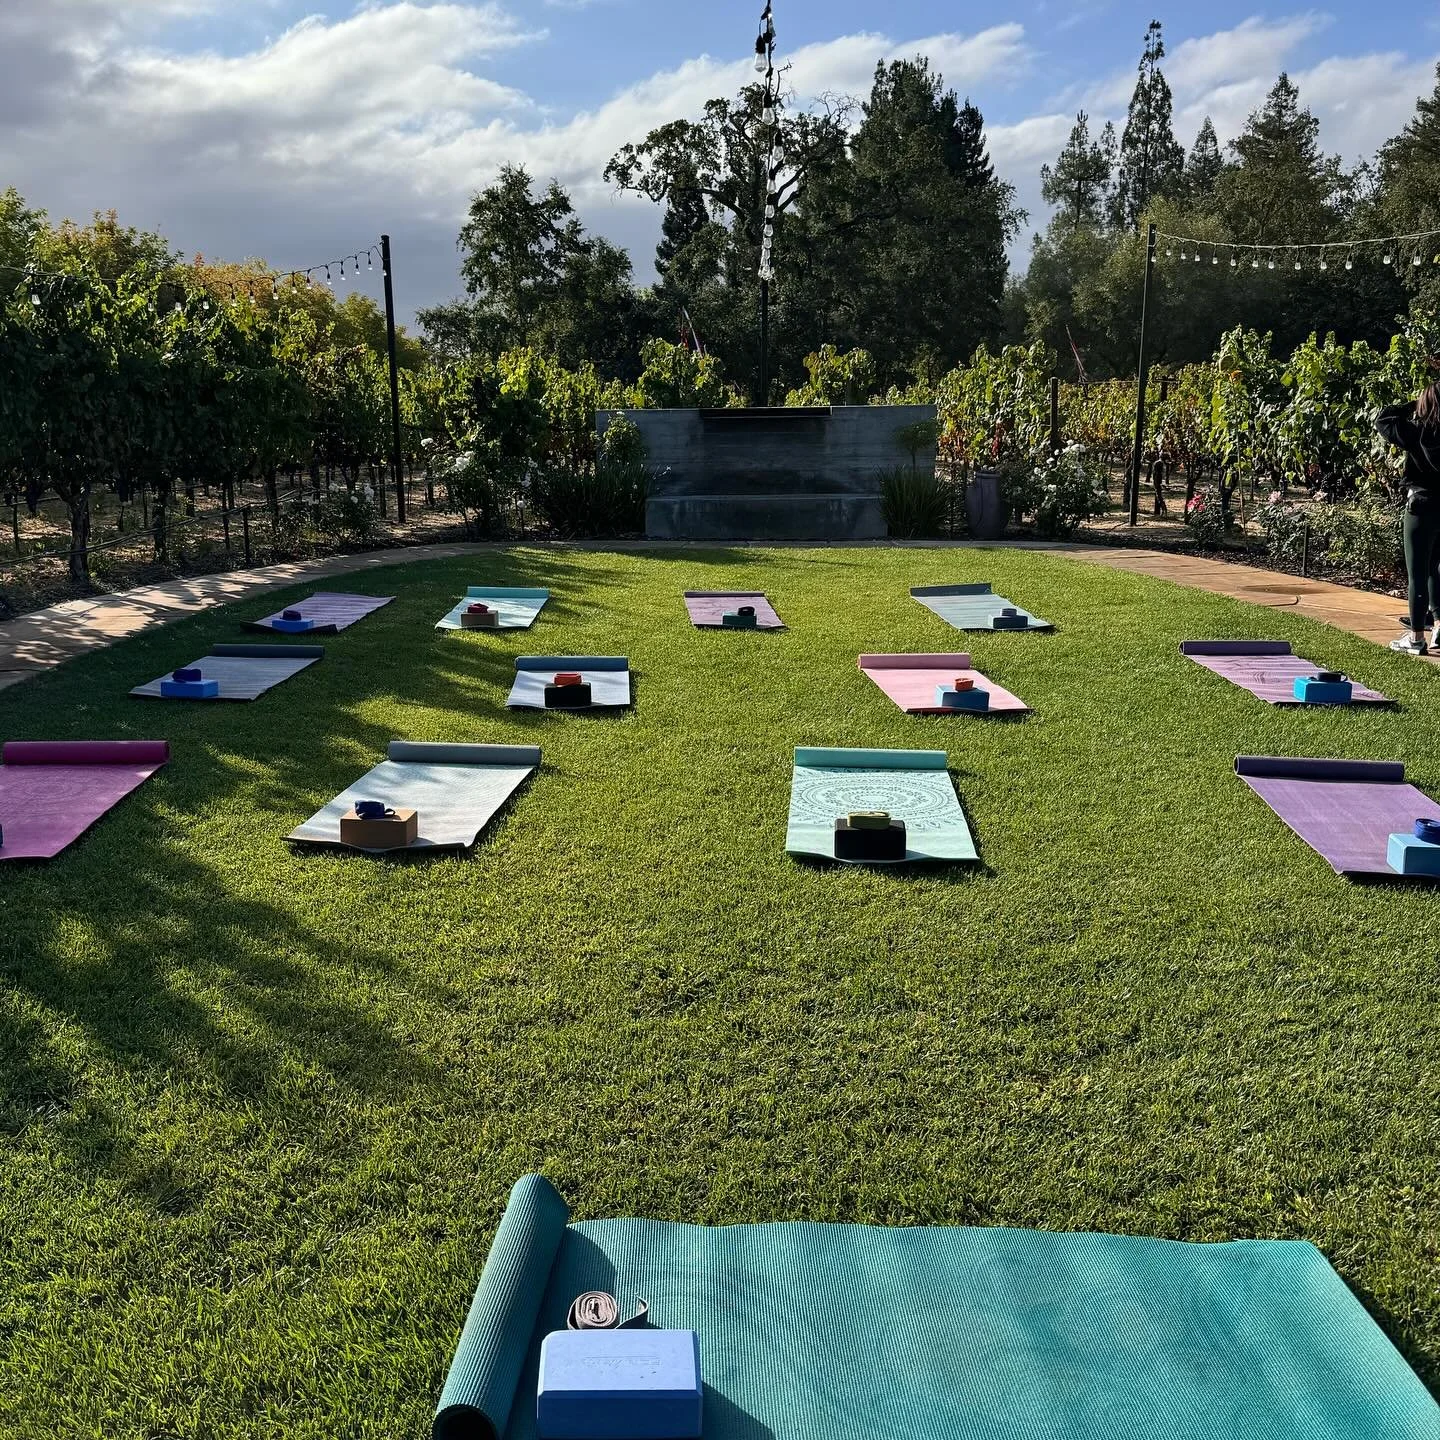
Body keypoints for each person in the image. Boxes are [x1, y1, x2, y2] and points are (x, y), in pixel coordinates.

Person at [1377, 379, 1440, 654]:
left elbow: (1384, 419)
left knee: (1418, 573)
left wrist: (1413, 405)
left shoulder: (1415, 432)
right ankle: (1439, 625)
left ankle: (1416, 638)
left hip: (1421, 505)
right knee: (1436, 567)